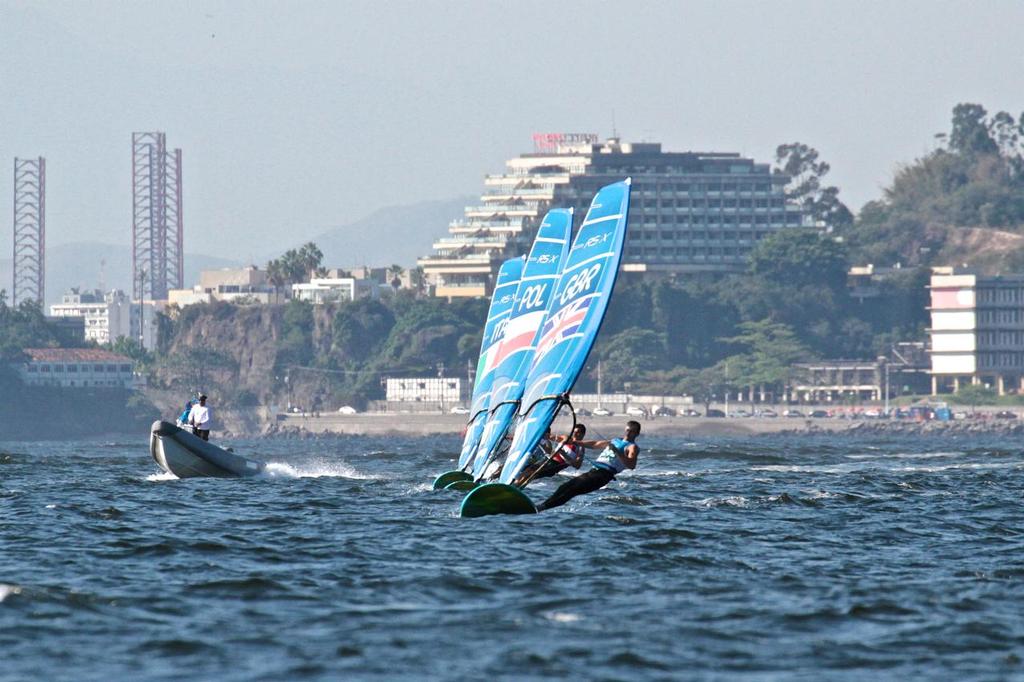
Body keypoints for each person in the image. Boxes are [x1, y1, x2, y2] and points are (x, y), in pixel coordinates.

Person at [535, 420, 641, 512]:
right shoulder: (615, 440)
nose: (628, 433)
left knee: (571, 490)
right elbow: (595, 444)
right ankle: (541, 506)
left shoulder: (632, 447)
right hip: (594, 471)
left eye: (631, 431)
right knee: (564, 487)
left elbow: (631, 465)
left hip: (604, 475)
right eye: (627, 430)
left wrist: (618, 452)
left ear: (636, 434)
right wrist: (577, 443)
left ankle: (542, 507)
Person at [516, 423, 588, 484]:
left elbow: (577, 466)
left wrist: (563, 454)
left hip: (555, 466)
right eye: (574, 432)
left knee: (530, 473)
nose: (574, 434)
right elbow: (550, 436)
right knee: (526, 471)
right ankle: (514, 484)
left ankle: (515, 486)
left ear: (582, 434)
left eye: (577, 432)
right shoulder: (566, 437)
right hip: (547, 460)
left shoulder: (581, 448)